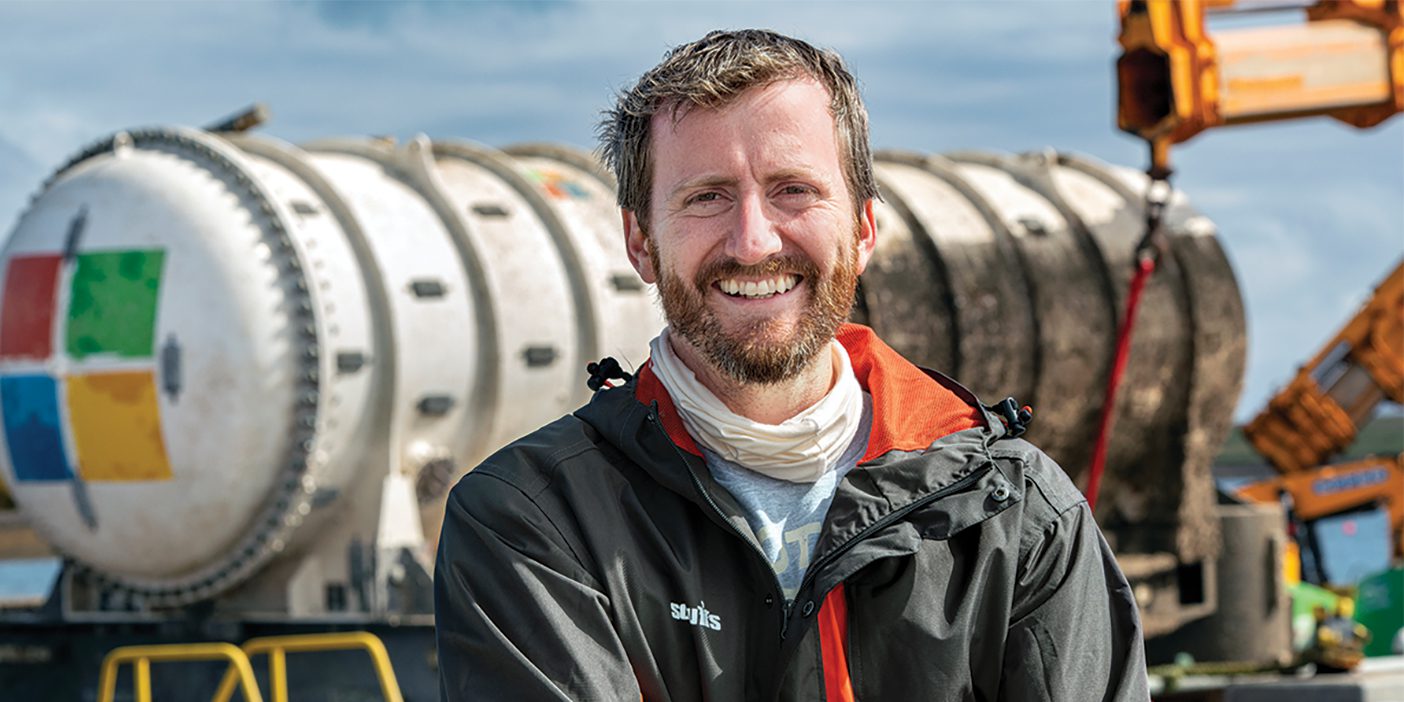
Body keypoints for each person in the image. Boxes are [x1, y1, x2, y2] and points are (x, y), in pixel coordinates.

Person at [435, 29, 1149, 701]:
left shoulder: (1014, 515)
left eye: (793, 190)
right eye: (707, 197)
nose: (752, 241)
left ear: (863, 229)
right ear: (640, 242)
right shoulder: (534, 521)